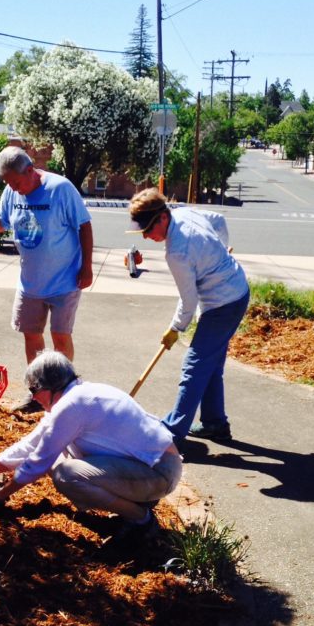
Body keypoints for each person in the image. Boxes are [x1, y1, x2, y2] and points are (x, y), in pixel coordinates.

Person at [0, 351, 181, 538]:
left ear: (48, 387)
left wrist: (0, 496)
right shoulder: (77, 396)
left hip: (158, 472)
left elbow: (37, 463)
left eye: (33, 390)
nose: (33, 398)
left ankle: (141, 518)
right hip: (148, 467)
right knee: (59, 460)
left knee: (67, 474)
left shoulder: (72, 406)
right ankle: (136, 503)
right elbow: (31, 445)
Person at [127, 188, 250, 444]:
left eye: (149, 230)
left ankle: (172, 434)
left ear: (162, 217)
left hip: (223, 304)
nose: (148, 237)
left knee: (194, 366)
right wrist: (222, 251)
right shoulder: (185, 213)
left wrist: (175, 328)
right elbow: (218, 220)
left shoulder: (177, 252)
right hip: (236, 291)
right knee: (210, 364)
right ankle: (215, 422)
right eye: (143, 233)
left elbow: (189, 300)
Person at [0, 146, 93, 375]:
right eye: (8, 183)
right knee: (32, 335)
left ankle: (63, 390)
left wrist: (87, 267)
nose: (13, 188)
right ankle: (38, 389)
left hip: (64, 279)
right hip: (30, 282)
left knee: (60, 337)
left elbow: (84, 225)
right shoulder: (12, 191)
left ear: (30, 170)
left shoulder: (60, 189)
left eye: (15, 182)